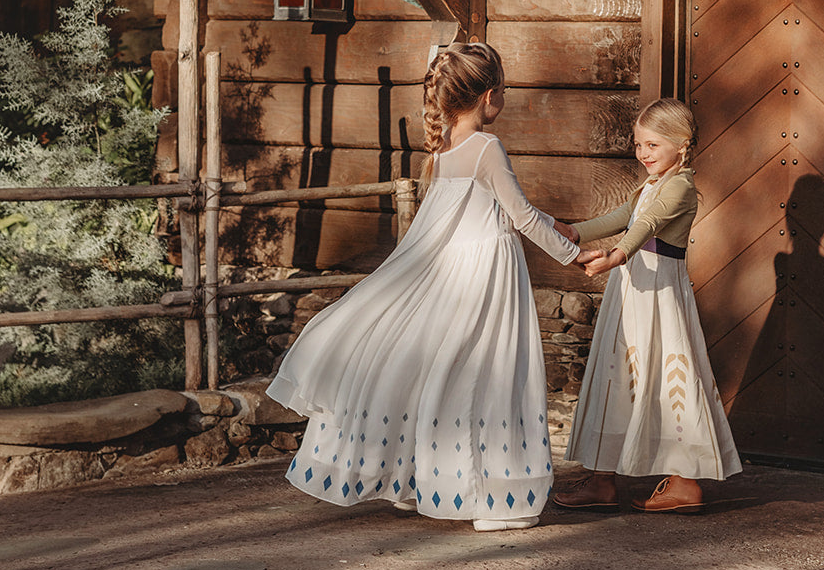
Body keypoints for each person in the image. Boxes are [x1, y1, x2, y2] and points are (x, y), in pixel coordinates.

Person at [266, 41, 582, 531]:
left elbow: (498, 209)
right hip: (486, 274)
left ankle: (424, 483)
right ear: (488, 96)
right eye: (504, 91)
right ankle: (494, 500)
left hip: (452, 272)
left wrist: (559, 224)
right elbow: (519, 216)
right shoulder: (486, 147)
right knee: (488, 375)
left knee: (441, 373)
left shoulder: (445, 147)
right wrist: (577, 257)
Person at [553, 98, 741, 513]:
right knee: (617, 375)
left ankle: (685, 481)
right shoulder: (652, 184)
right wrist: (571, 231)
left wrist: (616, 256)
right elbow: (624, 215)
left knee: (667, 373)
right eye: (638, 145)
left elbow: (647, 224)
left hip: (658, 295)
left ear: (683, 144)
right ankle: (603, 480)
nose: (643, 154)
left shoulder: (680, 187)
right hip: (632, 294)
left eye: (653, 145)